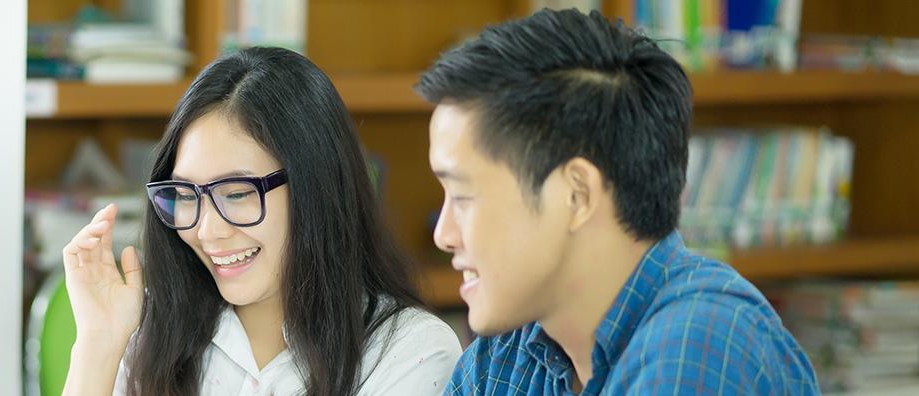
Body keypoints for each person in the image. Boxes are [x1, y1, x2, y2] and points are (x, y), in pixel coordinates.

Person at [417, 9, 820, 395]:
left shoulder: (700, 344)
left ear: (577, 195)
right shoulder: (506, 352)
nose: (444, 234)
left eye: (465, 196)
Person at [62, 47, 462, 396]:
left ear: (315, 186)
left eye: (236, 194)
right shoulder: (151, 335)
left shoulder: (409, 351)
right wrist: (99, 344)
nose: (207, 231)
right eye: (186, 196)